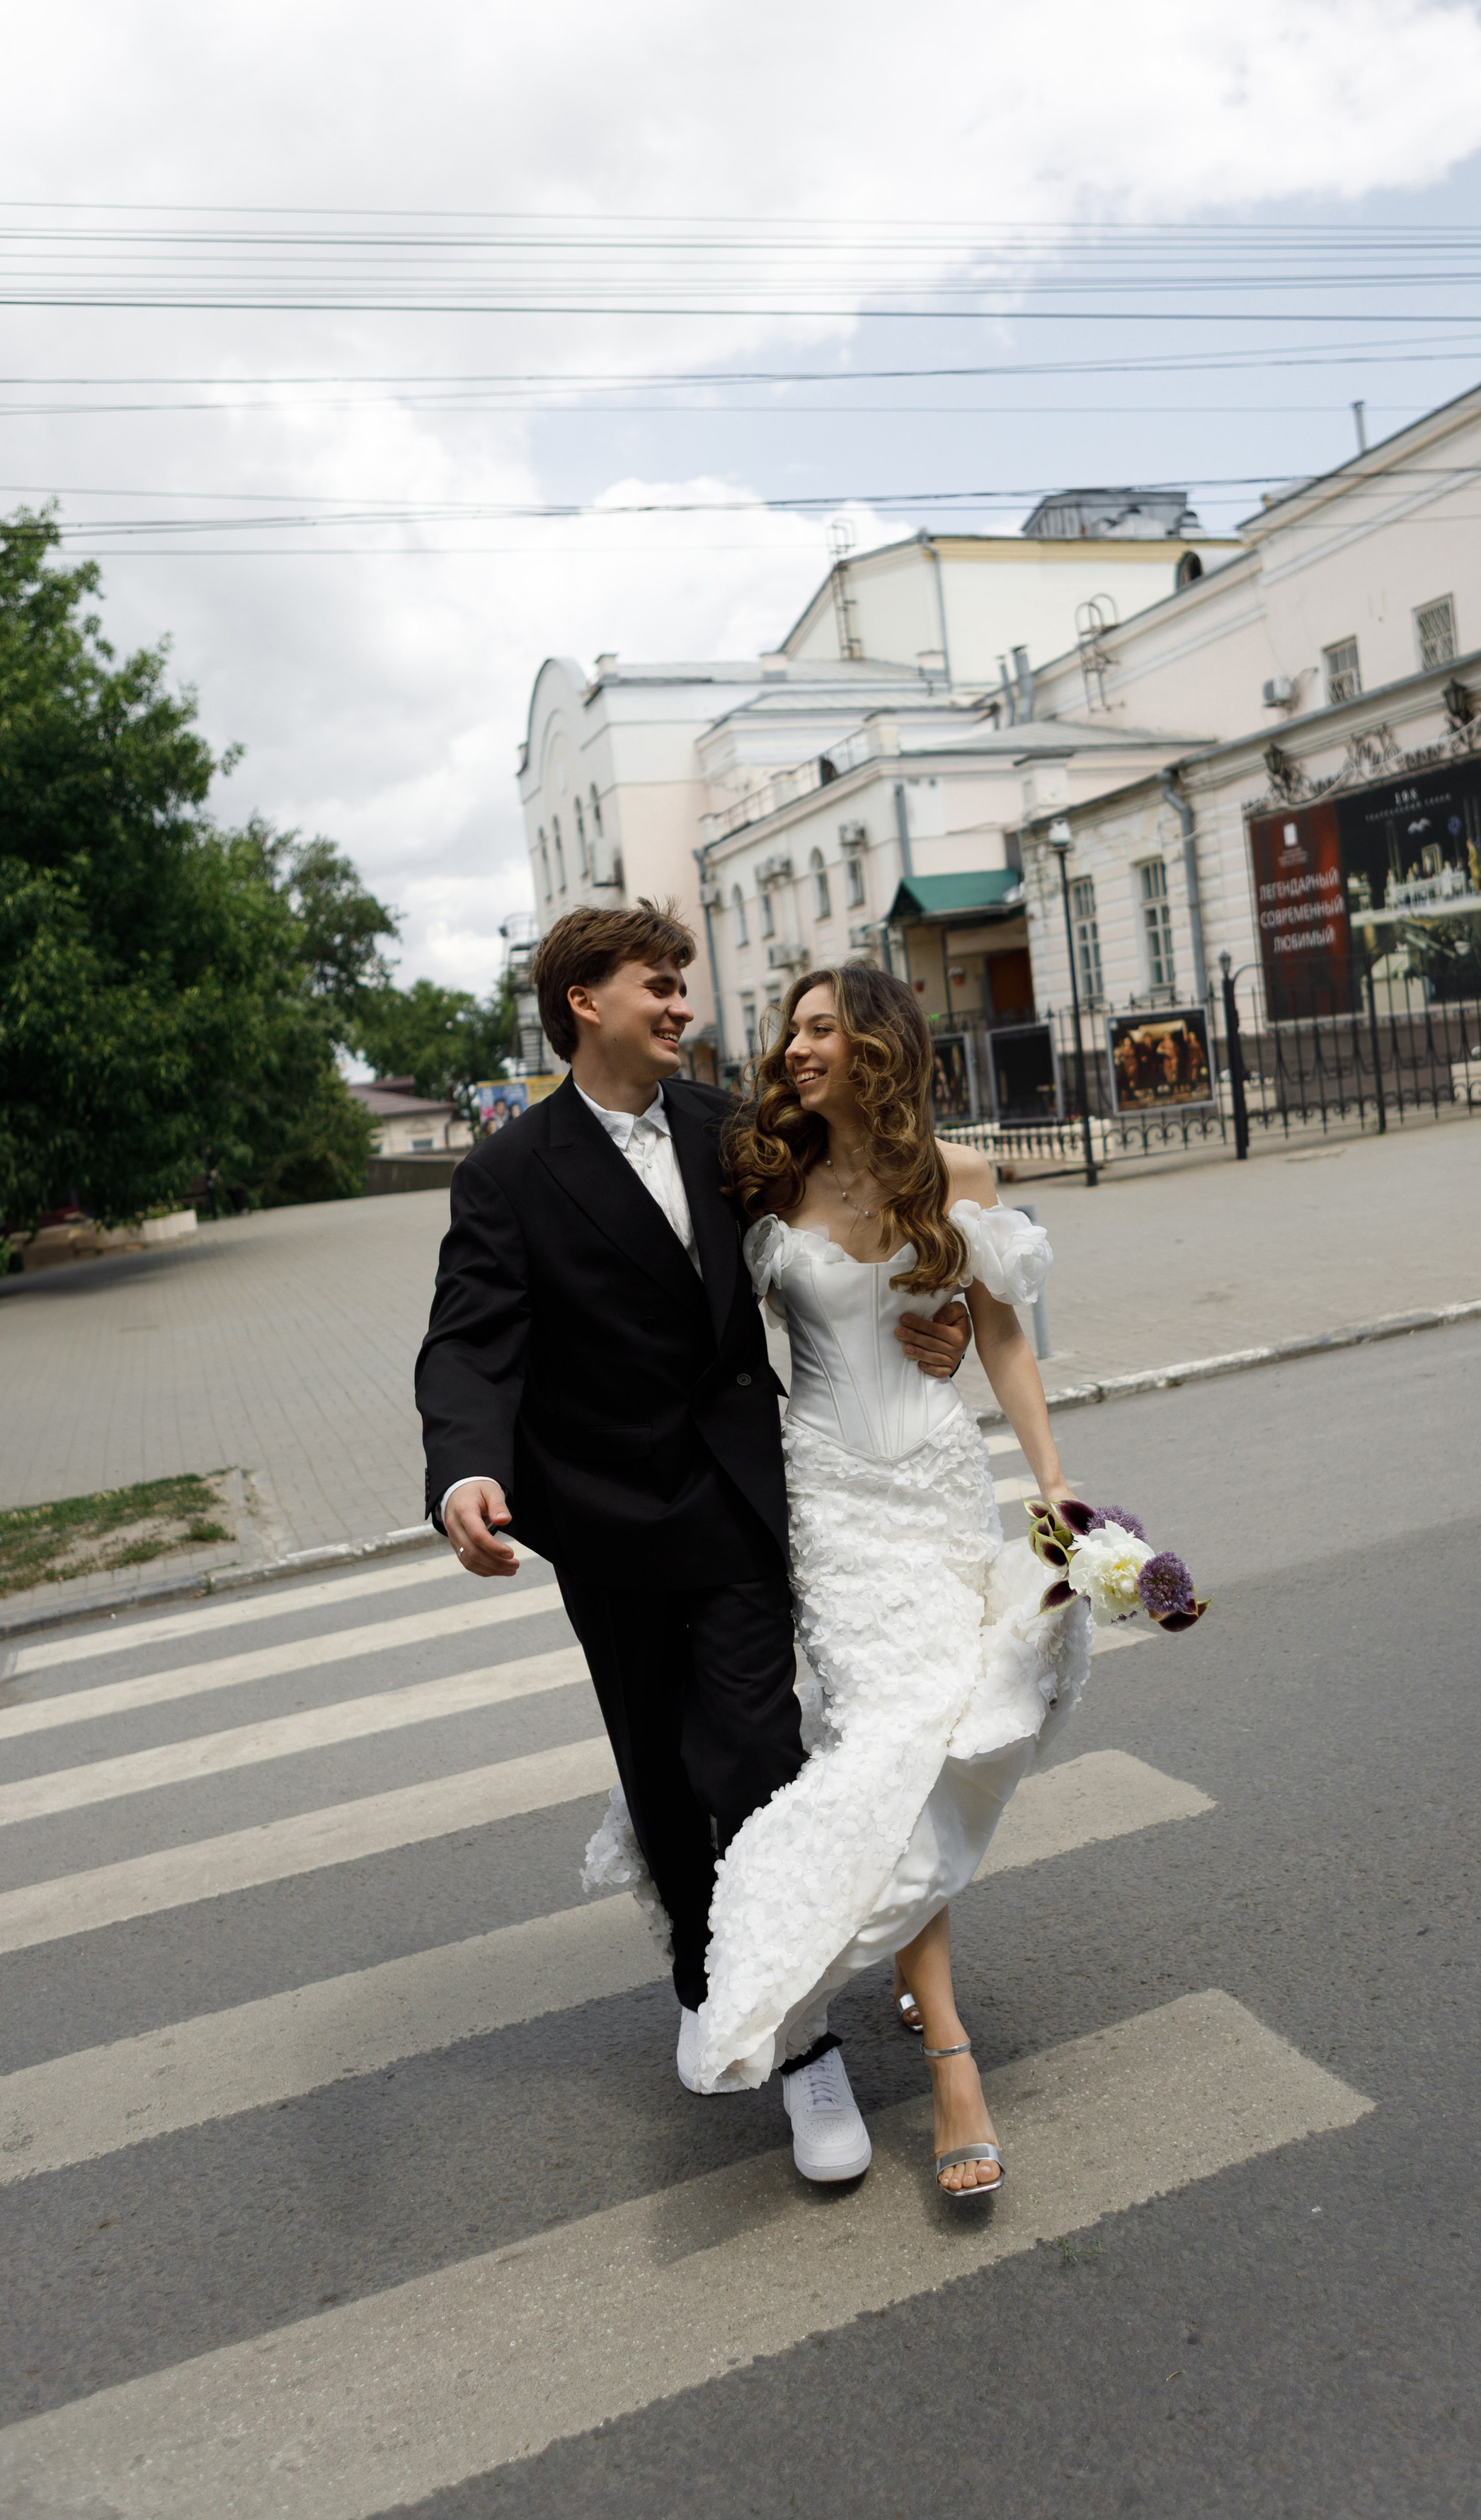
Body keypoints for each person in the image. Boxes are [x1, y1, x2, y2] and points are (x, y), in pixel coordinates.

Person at [414, 903, 970, 2184]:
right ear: (584, 1004)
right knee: (663, 1776)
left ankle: (803, 2033)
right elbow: (469, 1342)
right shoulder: (507, 1173)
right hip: (603, 1520)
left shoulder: (734, 1130)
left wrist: (933, 1314)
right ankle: (703, 1975)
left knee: (759, 1754)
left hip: (735, 1498)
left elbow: (872, 1201)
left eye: (683, 984)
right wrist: (467, 1472)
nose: (682, 1005)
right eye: (657, 985)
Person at [614, 959, 1090, 2201]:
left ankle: (894, 1972)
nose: (797, 1047)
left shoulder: (960, 1177)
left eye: (822, 1027)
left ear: (878, 1043)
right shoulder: (765, 1175)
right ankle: (950, 2058)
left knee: (940, 1741)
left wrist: (1052, 1486)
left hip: (936, 1485)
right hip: (828, 1499)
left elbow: (1002, 1335)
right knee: (891, 1746)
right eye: (792, 1029)